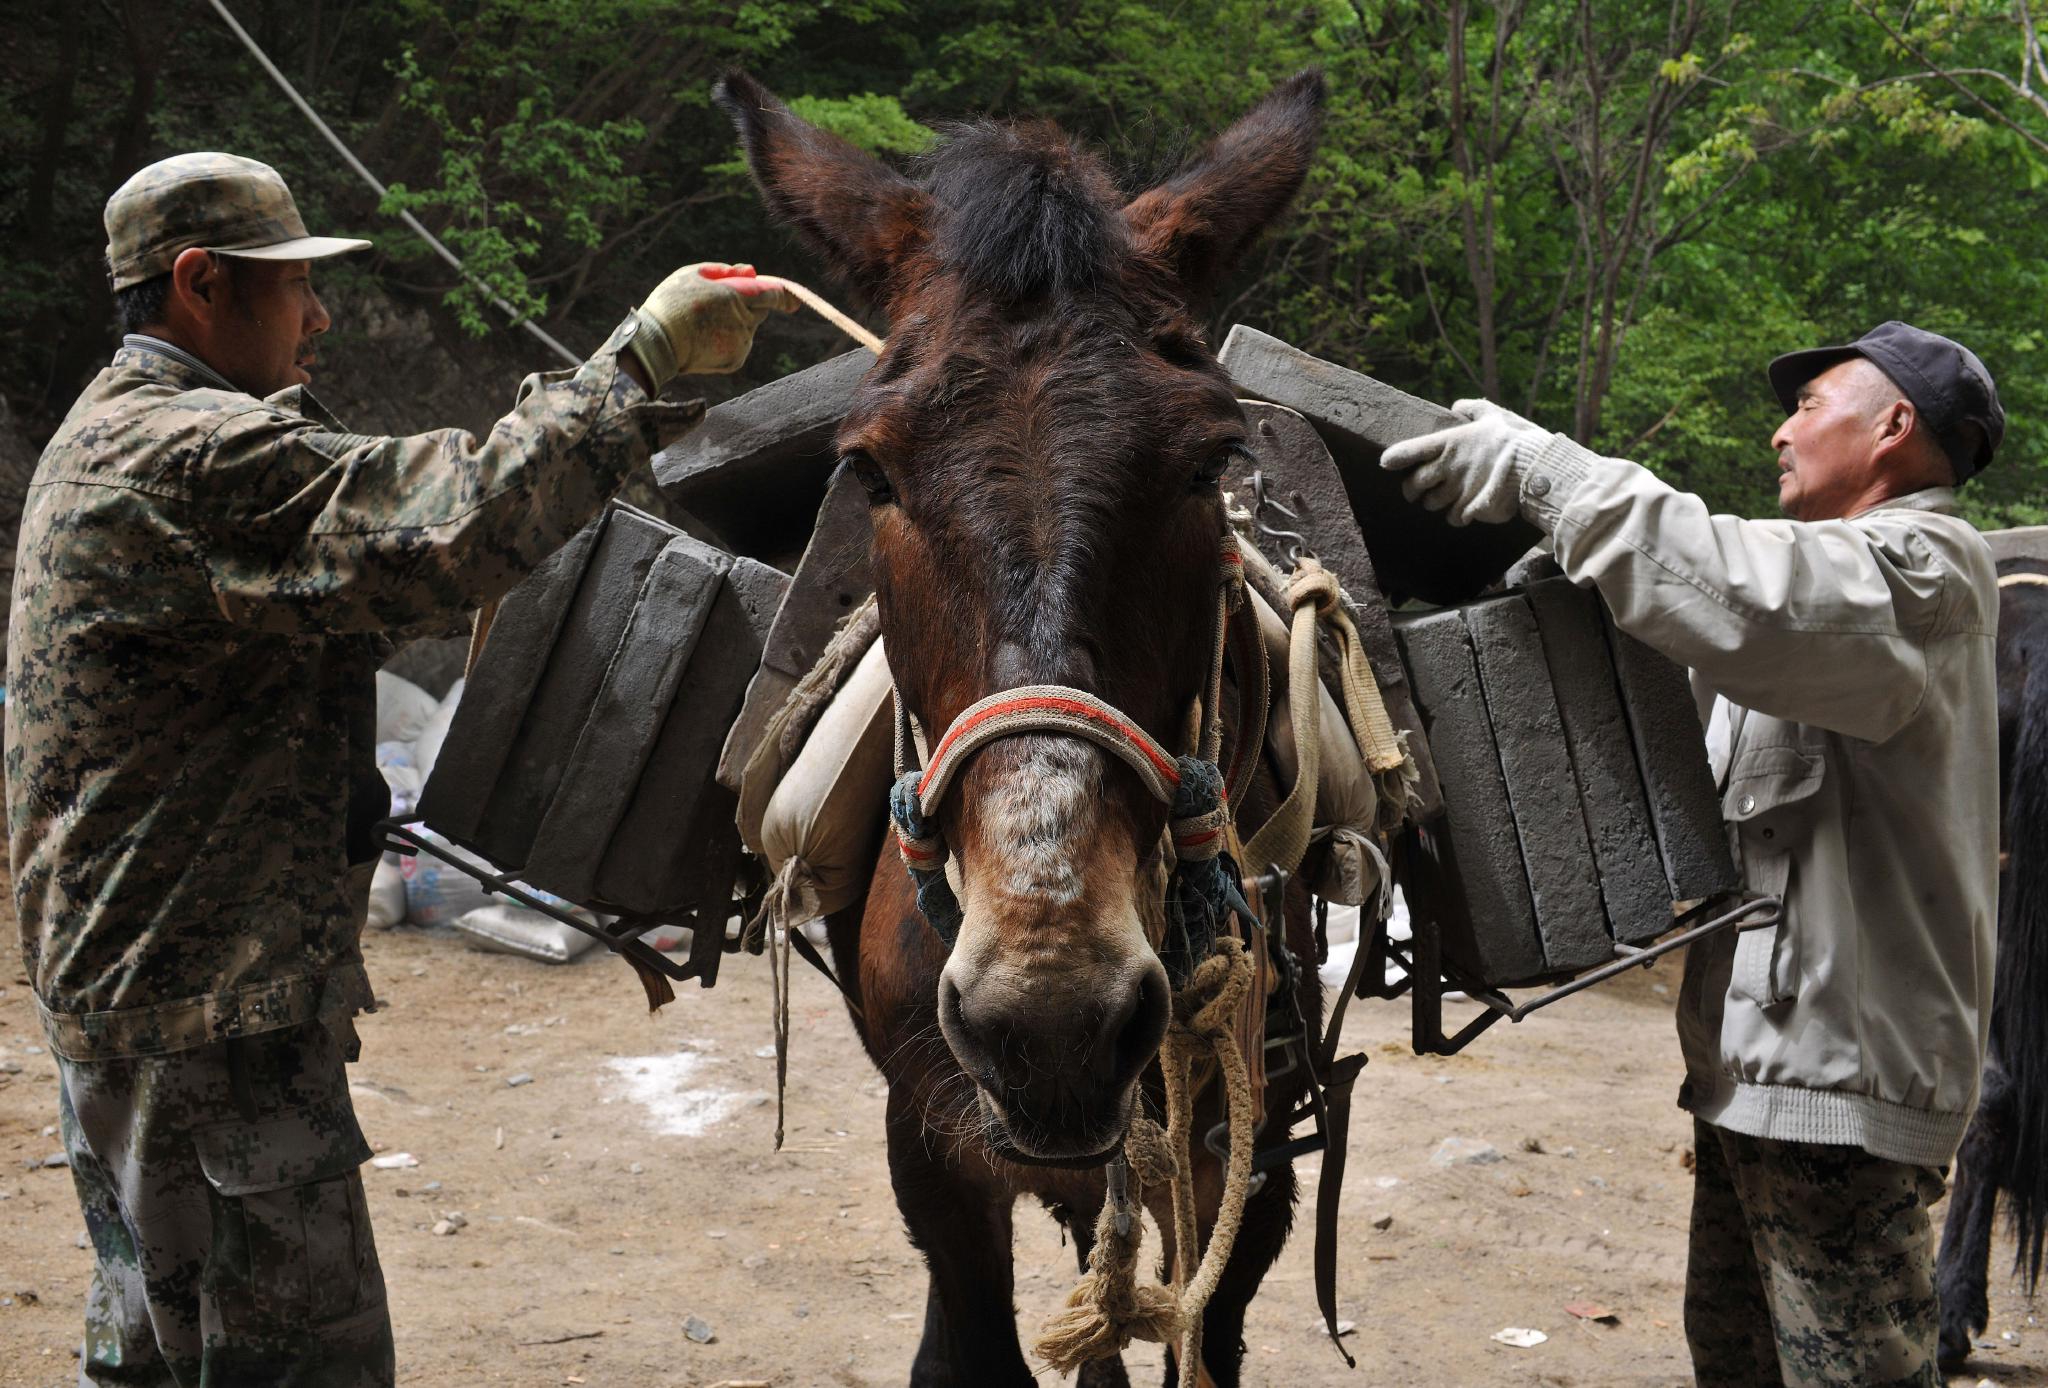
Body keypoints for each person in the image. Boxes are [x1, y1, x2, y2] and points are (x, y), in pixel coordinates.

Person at [6, 151, 795, 1386]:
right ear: (198, 283)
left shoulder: (110, 432)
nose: (319, 316)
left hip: (140, 1010)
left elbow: (363, 572)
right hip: (207, 1033)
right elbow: (451, 527)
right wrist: (640, 357)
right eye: (290, 286)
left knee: (163, 1351)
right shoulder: (183, 458)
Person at [1382, 322, 2003, 1386]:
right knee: (1734, 1357)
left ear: (1893, 425)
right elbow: (1703, 656)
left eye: (1809, 405)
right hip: (1760, 1087)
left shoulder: (1921, 569)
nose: (1779, 430)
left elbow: (1742, 594)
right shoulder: (1828, 602)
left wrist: (1546, 469)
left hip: (1842, 1097)